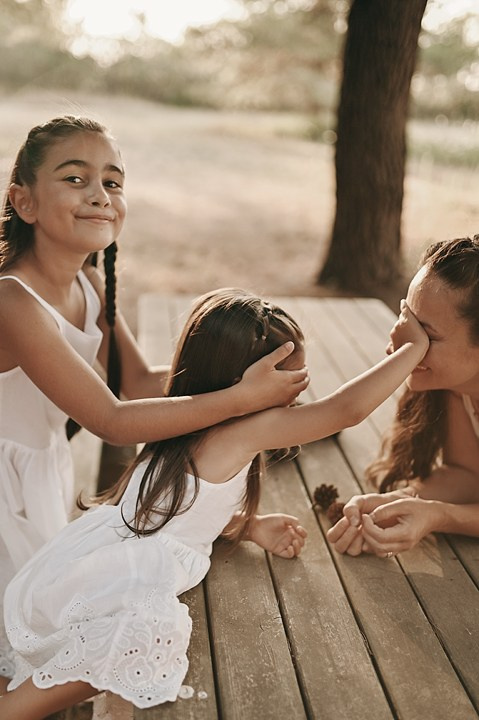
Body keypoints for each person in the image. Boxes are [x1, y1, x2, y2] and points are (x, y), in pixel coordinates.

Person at [0, 286, 429, 718]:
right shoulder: (240, 433)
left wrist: (248, 523)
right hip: (126, 581)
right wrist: (413, 348)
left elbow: (174, 515)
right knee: (132, 643)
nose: (302, 385)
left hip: (103, 558)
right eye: (289, 376)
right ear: (243, 382)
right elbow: (346, 411)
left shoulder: (186, 414)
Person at [0, 116, 309, 685]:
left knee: (55, 635)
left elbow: (139, 383)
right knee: (39, 646)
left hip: (39, 473)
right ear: (23, 202)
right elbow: (114, 421)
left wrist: (249, 382)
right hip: (4, 483)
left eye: (113, 183)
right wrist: (239, 398)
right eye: (75, 179)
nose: (100, 195)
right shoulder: (13, 300)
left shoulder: (87, 282)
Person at [327, 236, 479, 558]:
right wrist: (400, 502)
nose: (402, 345)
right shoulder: (459, 389)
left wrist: (438, 515)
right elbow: (468, 476)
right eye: (405, 317)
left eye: (425, 335)